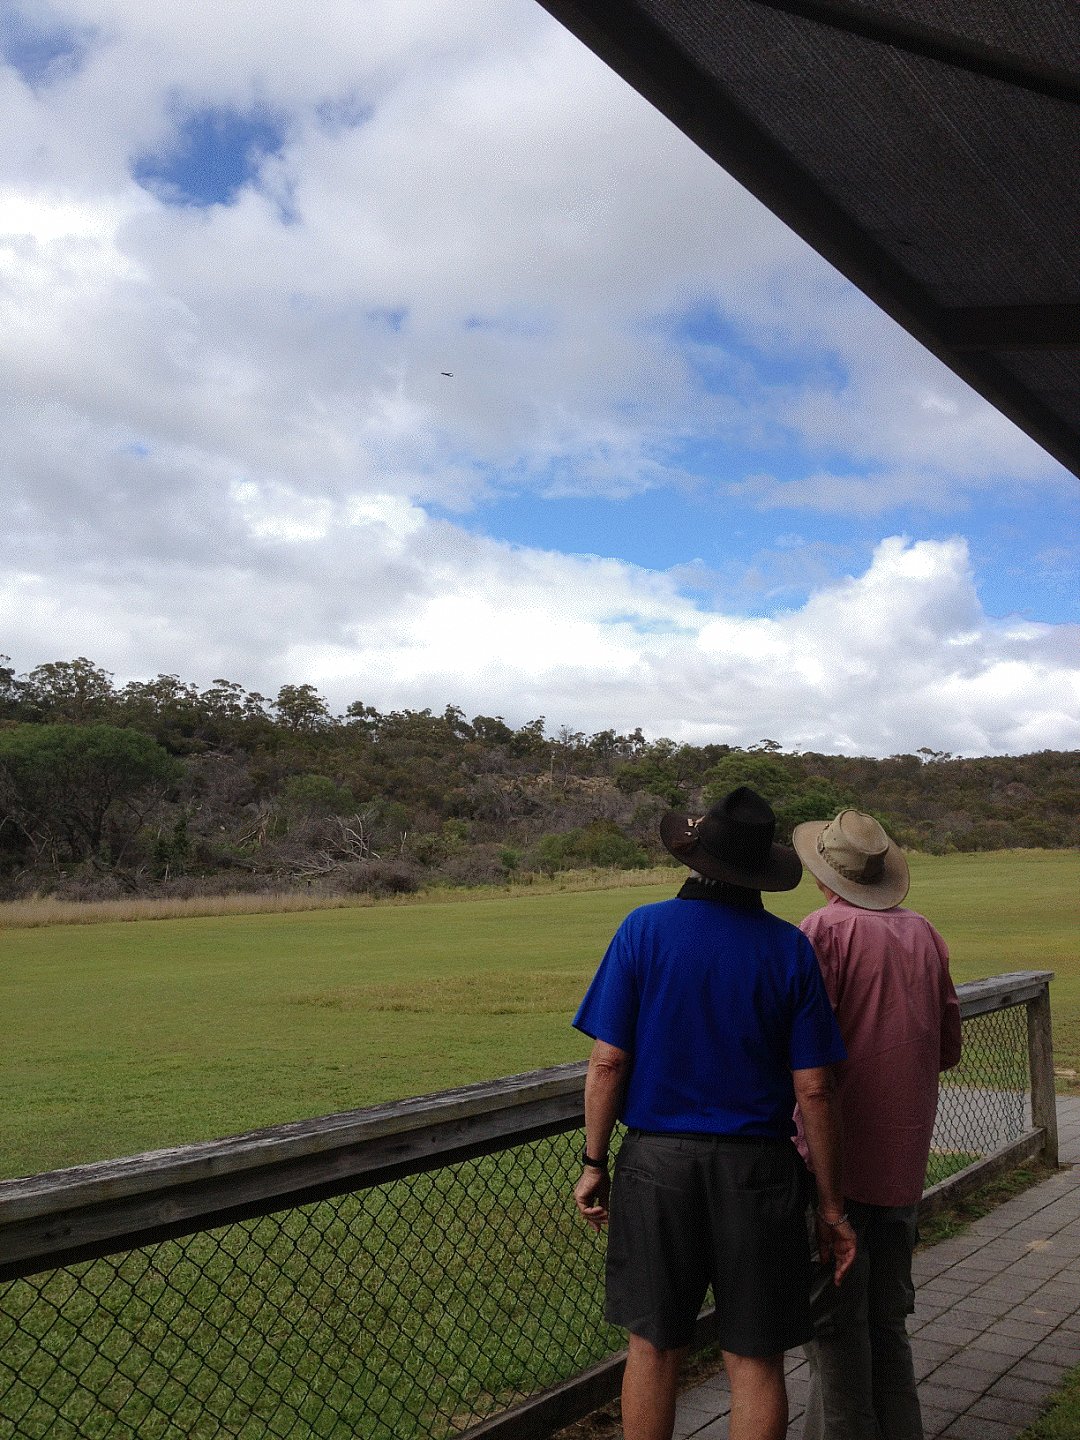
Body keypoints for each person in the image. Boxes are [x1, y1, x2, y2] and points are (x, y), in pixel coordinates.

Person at [571, 786, 856, 1440]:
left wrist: (593, 1162)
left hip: (656, 1167)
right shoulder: (789, 949)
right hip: (759, 1173)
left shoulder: (643, 930)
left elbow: (607, 1063)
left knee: (653, 1346)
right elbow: (815, 1089)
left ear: (694, 859)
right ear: (761, 873)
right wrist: (831, 1207)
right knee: (755, 1359)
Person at [792, 810, 962, 1440]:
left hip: (832, 1166)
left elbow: (802, 1058)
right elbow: (947, 1047)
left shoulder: (821, 933)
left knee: (835, 1334)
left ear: (824, 873)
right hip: (902, 1164)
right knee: (888, 1325)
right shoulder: (925, 934)